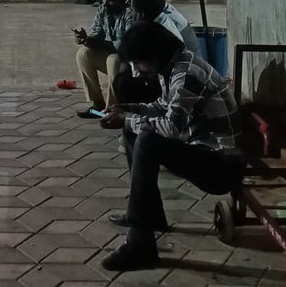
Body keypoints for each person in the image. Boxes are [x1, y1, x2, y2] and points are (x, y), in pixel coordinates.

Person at [98, 22, 243, 272]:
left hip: (222, 165)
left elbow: (171, 127)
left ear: (155, 55)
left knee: (147, 138)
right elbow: (162, 107)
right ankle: (150, 217)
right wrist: (130, 110)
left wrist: (131, 119)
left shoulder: (187, 73)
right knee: (136, 130)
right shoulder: (174, 66)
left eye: (139, 62)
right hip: (204, 153)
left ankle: (140, 243)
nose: (137, 71)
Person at [72, 0, 131, 119]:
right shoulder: (103, 9)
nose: (104, 2)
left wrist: (99, 43)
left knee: (113, 60)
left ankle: (112, 109)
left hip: (133, 63)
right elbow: (96, 35)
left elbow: (126, 47)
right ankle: (97, 103)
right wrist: (85, 40)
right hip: (115, 54)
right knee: (83, 53)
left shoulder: (131, 13)